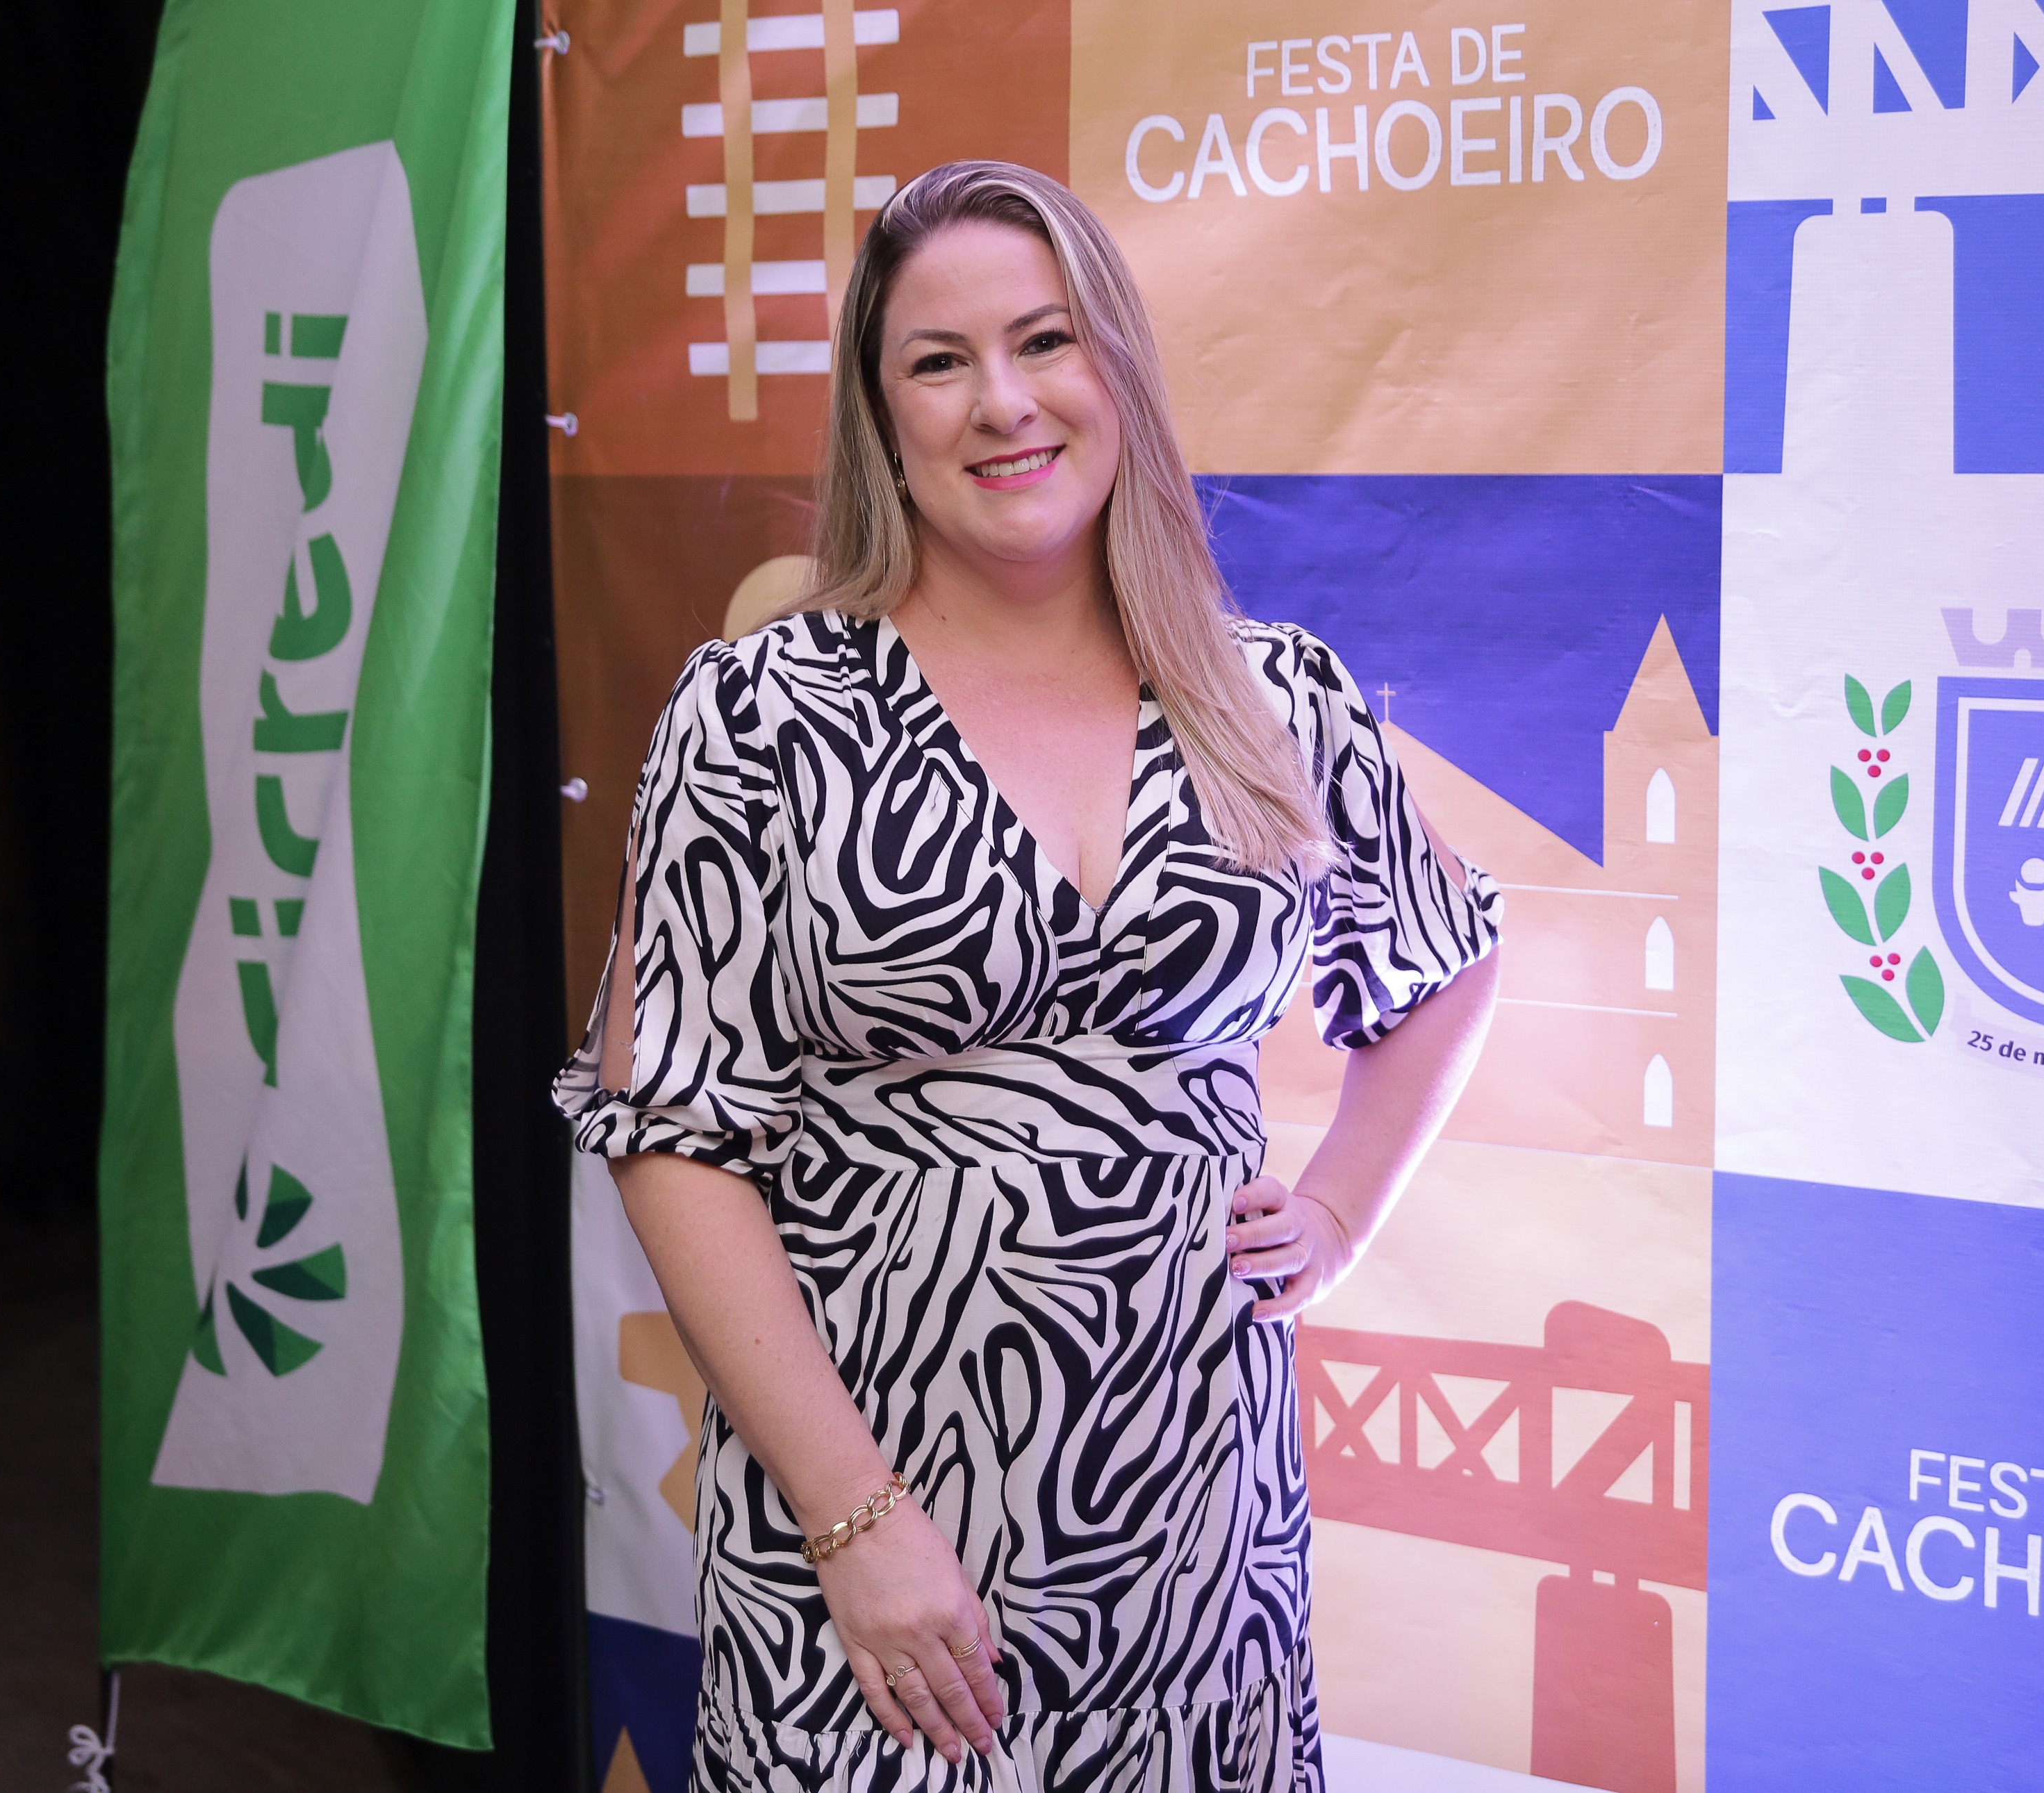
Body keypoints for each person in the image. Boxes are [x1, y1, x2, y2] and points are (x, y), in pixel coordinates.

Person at [554, 160, 1501, 1792]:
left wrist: (1341, 1207)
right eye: (938, 361)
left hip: (1200, 1550)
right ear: (880, 415)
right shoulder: (760, 718)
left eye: (1043, 339)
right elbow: (672, 1134)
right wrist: (854, 1523)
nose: (1001, 401)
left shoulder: (1272, 697)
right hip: (875, 1558)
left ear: (1114, 363)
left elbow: (1444, 962)